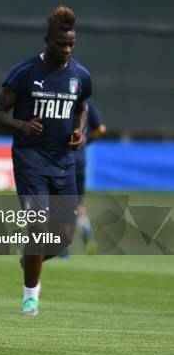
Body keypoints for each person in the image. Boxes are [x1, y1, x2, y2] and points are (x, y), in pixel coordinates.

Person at [0, 6, 91, 316]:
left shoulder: (80, 76)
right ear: (47, 40)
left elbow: (81, 107)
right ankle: (30, 297)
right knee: (37, 226)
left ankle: (29, 258)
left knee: (64, 240)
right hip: (30, 159)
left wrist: (79, 132)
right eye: (61, 44)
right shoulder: (24, 73)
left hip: (64, 163)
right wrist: (22, 126)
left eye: (71, 44)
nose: (67, 49)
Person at [74, 99, 106, 254]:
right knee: (77, 202)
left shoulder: (58, 96)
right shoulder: (87, 102)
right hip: (80, 159)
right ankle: (86, 230)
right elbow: (101, 129)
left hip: (60, 158)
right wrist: (84, 142)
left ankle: (59, 244)